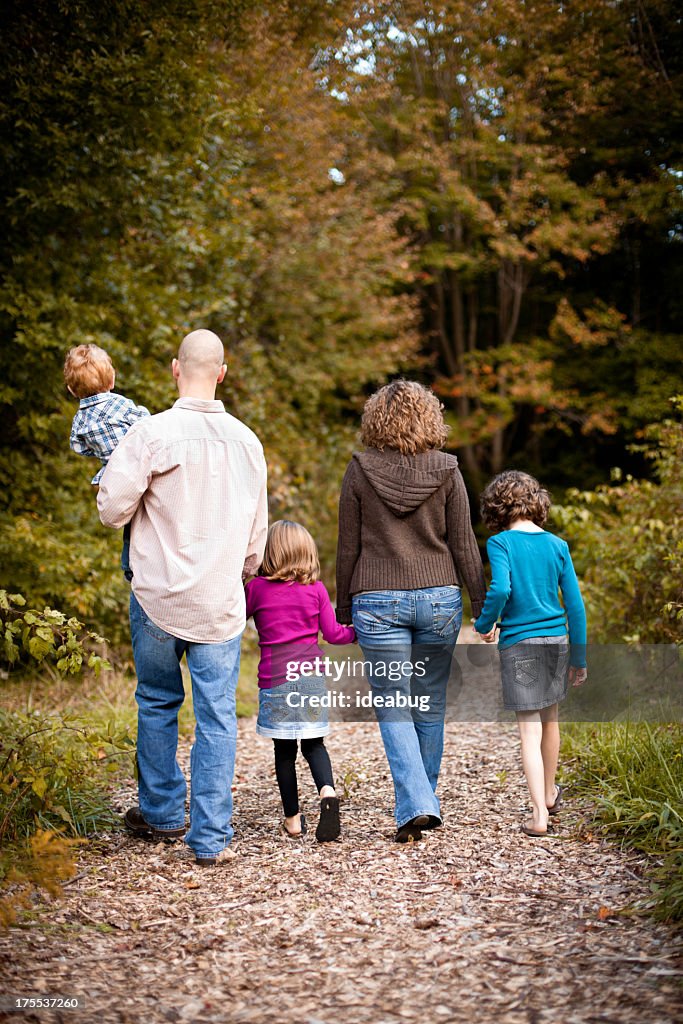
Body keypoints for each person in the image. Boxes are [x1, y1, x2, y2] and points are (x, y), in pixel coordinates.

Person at [97, 329, 268, 866]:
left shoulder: (151, 434)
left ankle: (164, 814)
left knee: (156, 701)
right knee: (218, 715)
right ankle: (211, 835)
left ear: (176, 368)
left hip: (156, 597)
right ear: (222, 372)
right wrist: (239, 573)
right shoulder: (247, 441)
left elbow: (111, 509)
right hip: (218, 601)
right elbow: (255, 538)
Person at [336, 380, 486, 843]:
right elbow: (464, 543)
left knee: (394, 704)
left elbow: (348, 545)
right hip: (439, 597)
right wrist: (481, 605)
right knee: (430, 703)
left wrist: (344, 606)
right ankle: (424, 800)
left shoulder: (359, 470)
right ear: (429, 417)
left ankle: (417, 802)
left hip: (377, 598)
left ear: (375, 420)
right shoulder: (448, 470)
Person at [473, 470, 587, 838]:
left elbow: (502, 588)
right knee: (551, 720)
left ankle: (538, 813)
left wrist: (484, 623)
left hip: (520, 643)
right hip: (556, 641)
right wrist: (580, 658)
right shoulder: (557, 545)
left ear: (497, 506)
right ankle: (550, 794)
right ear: (536, 503)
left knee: (528, 730)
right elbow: (575, 606)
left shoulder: (501, 543)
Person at [245, 520, 356, 842]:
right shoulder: (316, 590)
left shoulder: (256, 589)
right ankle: (327, 792)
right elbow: (334, 634)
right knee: (313, 744)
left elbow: (235, 618)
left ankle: (293, 820)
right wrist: (358, 633)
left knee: (284, 751)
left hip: (275, 680)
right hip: (310, 679)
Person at [64, 343, 150, 580]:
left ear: (72, 389)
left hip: (114, 475)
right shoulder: (120, 404)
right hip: (138, 465)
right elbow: (145, 422)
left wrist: (100, 451)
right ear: (111, 381)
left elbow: (77, 446)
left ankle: (129, 566)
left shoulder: (79, 419)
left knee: (131, 523)